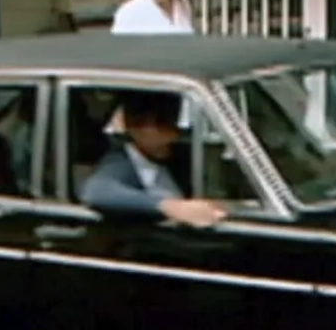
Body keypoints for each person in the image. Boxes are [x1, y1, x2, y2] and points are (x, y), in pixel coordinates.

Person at [80, 91, 228, 229]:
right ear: (135, 128)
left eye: (172, 120)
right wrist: (173, 208)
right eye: (163, 122)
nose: (173, 131)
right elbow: (96, 190)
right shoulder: (121, 162)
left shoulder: (181, 156)